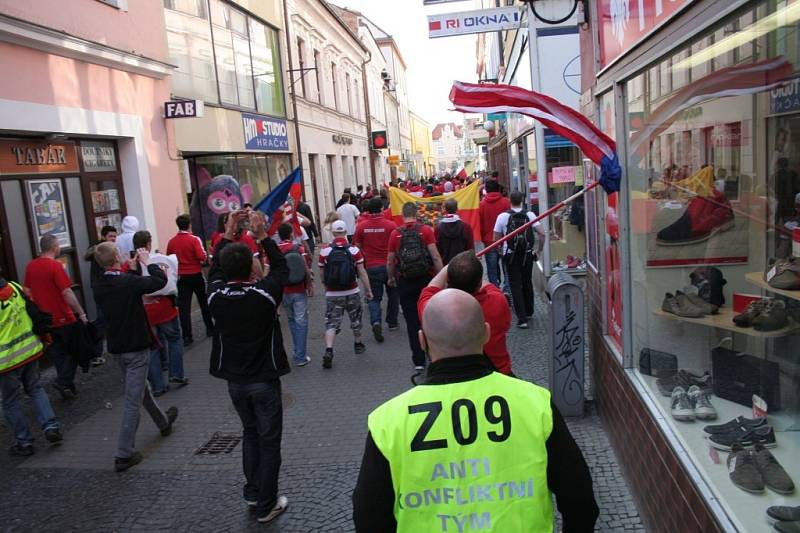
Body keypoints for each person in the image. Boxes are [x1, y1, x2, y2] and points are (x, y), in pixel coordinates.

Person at [352, 289, 598, 532]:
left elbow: (369, 517)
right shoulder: (534, 404)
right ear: (487, 334)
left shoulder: (388, 422)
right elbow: (580, 500)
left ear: (422, 340)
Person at [207, 210, 290, 524]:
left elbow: (214, 267)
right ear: (252, 268)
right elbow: (282, 268)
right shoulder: (264, 294)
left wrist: (228, 233)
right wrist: (263, 234)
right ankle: (267, 503)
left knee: (251, 434)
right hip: (264, 380)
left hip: (235, 381)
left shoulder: (215, 294)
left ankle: (254, 493)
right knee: (269, 442)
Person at [92, 242, 179, 472]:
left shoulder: (100, 284)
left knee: (142, 391)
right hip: (135, 346)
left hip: (117, 346)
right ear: (117, 258)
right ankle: (123, 453)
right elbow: (158, 282)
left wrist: (129, 268)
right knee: (133, 399)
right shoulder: (126, 283)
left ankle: (163, 422)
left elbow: (121, 286)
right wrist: (147, 262)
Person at [417, 251, 512, 374]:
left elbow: (429, 290)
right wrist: (470, 268)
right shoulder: (498, 300)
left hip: (448, 378)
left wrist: (448, 268)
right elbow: (485, 284)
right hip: (500, 374)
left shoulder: (433, 309)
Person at [0, 277, 63, 456]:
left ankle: (24, 441)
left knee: (10, 400)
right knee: (35, 389)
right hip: (29, 351)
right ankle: (51, 426)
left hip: (5, 361)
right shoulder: (14, 287)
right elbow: (32, 312)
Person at [24, 235, 89, 399]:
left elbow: (27, 291)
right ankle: (63, 381)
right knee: (74, 350)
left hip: (44, 319)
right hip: (63, 316)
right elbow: (66, 292)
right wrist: (80, 312)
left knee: (59, 354)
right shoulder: (55, 266)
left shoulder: (31, 266)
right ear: (54, 247)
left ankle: (67, 386)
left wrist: (38, 306)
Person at [387, 202, 443, 371]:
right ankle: (434, 356)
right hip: (425, 280)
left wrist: (391, 278)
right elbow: (435, 257)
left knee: (412, 321)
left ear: (403, 215)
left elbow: (390, 260)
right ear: (416, 214)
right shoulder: (425, 230)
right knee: (429, 318)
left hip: (405, 280)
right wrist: (442, 278)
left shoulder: (395, 234)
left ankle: (418, 360)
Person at [133, 230, 188, 396]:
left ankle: (157, 386)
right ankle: (176, 374)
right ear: (149, 244)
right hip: (165, 308)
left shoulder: (131, 264)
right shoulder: (159, 260)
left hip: (145, 311)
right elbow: (172, 279)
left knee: (153, 348)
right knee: (174, 339)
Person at [318, 220, 373, 369]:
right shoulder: (354, 250)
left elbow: (322, 273)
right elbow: (362, 272)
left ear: (333, 232)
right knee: (355, 318)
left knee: (331, 322)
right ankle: (358, 343)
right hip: (352, 291)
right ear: (345, 231)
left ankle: (329, 349)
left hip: (332, 293)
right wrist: (368, 290)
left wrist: (325, 287)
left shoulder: (325, 251)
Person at [493, 190, 545, 329]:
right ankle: (529, 311)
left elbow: (496, 238)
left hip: (510, 255)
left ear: (510, 200)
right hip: (527, 254)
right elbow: (542, 233)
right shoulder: (530, 214)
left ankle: (521, 319)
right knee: (527, 281)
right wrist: (538, 250)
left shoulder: (502, 217)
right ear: (522, 200)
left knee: (515, 284)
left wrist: (500, 251)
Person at [353, 198, 400, 342]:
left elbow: (357, 246)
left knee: (373, 296)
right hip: (389, 265)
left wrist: (365, 257)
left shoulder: (361, 226)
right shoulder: (391, 225)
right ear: (381, 209)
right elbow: (398, 245)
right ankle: (392, 322)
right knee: (393, 294)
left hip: (371, 266)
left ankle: (376, 322)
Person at [166, 214, 214, 347]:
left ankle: (187, 336)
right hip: (196, 274)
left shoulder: (172, 241)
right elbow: (201, 256)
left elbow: (169, 259)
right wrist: (205, 256)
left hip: (181, 277)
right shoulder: (194, 239)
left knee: (184, 308)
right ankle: (210, 328)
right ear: (189, 225)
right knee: (204, 303)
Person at [276, 223, 313, 366]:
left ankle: (297, 351)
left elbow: (269, 270)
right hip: (299, 289)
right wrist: (309, 284)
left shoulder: (275, 251)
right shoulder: (298, 248)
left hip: (284, 290)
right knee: (301, 321)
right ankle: (300, 355)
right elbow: (305, 268)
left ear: (279, 235)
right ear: (291, 234)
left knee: (292, 320)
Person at [84, 224, 118, 367]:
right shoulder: (98, 250)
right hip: (101, 287)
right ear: (103, 237)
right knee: (102, 319)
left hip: (108, 286)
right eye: (110, 236)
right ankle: (95, 352)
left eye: (115, 237)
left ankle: (111, 346)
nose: (113, 239)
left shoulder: (110, 249)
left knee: (109, 319)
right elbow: (87, 256)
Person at [479, 179, 511, 289]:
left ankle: (495, 289)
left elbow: (480, 223)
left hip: (489, 242)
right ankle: (507, 288)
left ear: (486, 190)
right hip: (505, 239)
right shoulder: (506, 202)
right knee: (507, 266)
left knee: (492, 268)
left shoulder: (482, 205)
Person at [435, 198, 474, 265]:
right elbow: (470, 247)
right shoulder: (466, 227)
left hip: (445, 264)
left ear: (445, 209)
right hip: (463, 264)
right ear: (457, 209)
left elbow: (437, 248)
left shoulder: (438, 228)